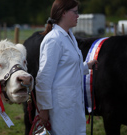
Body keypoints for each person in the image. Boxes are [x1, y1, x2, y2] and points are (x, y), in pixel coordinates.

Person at [35, 0, 97, 134]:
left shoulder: (69, 36)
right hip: (59, 109)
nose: (78, 15)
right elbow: (44, 78)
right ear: (63, 13)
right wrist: (44, 109)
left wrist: (87, 66)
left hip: (72, 105)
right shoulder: (54, 39)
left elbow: (67, 68)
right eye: (75, 12)